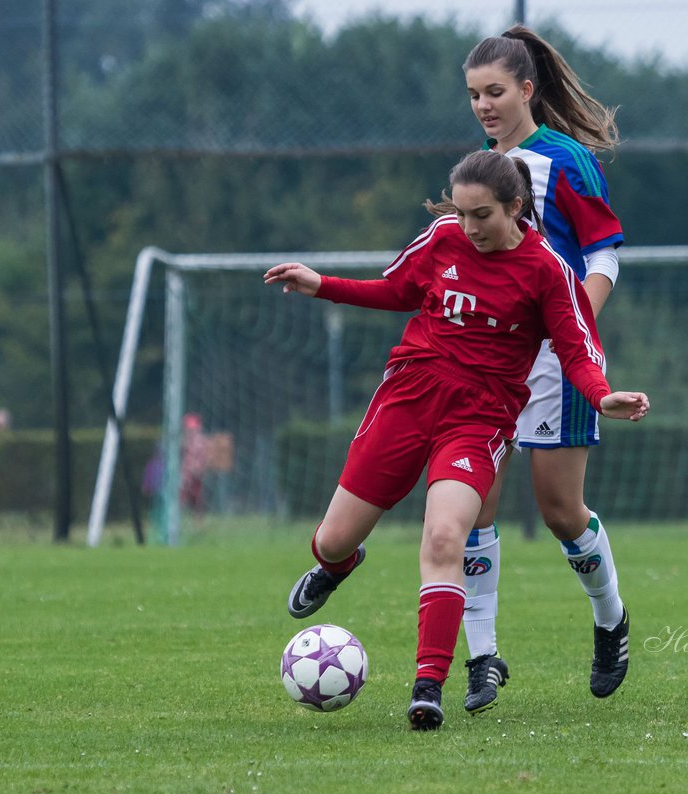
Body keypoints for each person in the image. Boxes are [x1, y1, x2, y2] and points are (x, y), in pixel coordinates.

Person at [264, 150, 649, 731]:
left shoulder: (547, 270)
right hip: (408, 397)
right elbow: (396, 290)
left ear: (516, 208)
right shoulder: (444, 236)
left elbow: (577, 347)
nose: (470, 228)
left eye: (484, 216)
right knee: (333, 540)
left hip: (481, 417)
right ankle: (338, 565)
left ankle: (428, 687)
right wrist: (321, 285)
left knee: (445, 536)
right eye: (463, 213)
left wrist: (602, 397)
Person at [459, 26, 630, 714]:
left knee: (561, 512)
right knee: (472, 501)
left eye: (495, 92)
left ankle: (611, 620)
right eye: (473, 95)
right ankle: (481, 658)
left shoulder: (566, 161)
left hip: (561, 362)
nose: (484, 106)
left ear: (527, 90)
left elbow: (605, 255)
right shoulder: (480, 169)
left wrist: (573, 323)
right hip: (491, 358)